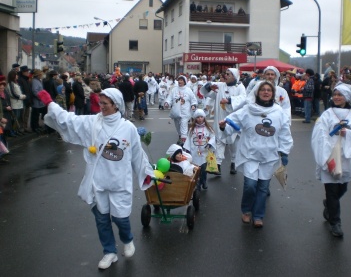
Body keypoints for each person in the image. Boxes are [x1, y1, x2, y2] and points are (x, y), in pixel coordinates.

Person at [37, 87, 155, 270]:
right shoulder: (92, 123)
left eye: (105, 104)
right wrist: (49, 103)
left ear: (116, 105)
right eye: (100, 103)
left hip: (119, 182)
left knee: (121, 218)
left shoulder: (128, 128)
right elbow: (69, 120)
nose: (101, 107)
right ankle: (109, 252)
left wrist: (147, 174)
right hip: (97, 181)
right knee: (101, 220)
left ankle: (127, 239)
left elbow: (137, 155)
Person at [218, 81, 293, 228]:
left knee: (263, 188)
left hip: (269, 156)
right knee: (250, 186)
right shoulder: (248, 110)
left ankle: (258, 215)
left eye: (269, 90)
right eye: (263, 90)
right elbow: (231, 122)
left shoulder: (278, 112)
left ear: (273, 94)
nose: (266, 92)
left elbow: (285, 133)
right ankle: (246, 210)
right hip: (250, 155)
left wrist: (284, 152)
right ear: (257, 93)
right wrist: (223, 126)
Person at [311, 82, 351, 237]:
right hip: (329, 156)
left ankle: (329, 205)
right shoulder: (327, 114)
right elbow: (319, 134)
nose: (336, 97)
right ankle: (335, 223)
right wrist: (327, 152)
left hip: (345, 157)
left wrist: (348, 134)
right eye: (335, 94)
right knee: (332, 190)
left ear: (347, 98)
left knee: (343, 188)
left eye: (340, 95)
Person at [200, 68, 246, 175]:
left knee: (233, 143)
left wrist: (229, 100)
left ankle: (233, 162)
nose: (226, 75)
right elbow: (207, 92)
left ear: (234, 76)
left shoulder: (240, 87)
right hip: (220, 118)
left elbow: (244, 99)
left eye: (228, 74)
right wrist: (209, 87)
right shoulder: (220, 86)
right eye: (225, 73)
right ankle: (218, 165)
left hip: (233, 119)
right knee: (219, 140)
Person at [183, 109, 216, 190]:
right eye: (198, 117)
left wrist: (210, 144)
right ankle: (197, 182)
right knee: (196, 169)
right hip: (195, 152)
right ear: (195, 119)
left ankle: (203, 181)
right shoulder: (192, 129)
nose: (200, 119)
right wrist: (187, 149)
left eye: (201, 117)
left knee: (204, 169)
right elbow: (188, 139)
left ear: (204, 117)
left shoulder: (208, 128)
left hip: (204, 152)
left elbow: (213, 137)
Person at [164, 75, 197, 145]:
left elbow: (193, 99)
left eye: (181, 80)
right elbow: (169, 98)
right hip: (176, 112)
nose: (180, 81)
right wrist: (167, 103)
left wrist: (193, 105)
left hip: (185, 112)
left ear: (184, 82)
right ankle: (180, 137)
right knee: (178, 127)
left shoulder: (188, 90)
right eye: (179, 80)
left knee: (184, 125)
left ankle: (184, 142)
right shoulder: (174, 90)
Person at [31, 69, 45, 134]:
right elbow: (35, 91)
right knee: (35, 115)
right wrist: (40, 97)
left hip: (39, 101)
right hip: (36, 101)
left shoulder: (38, 81)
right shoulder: (35, 81)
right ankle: (34, 127)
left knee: (37, 115)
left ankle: (37, 126)